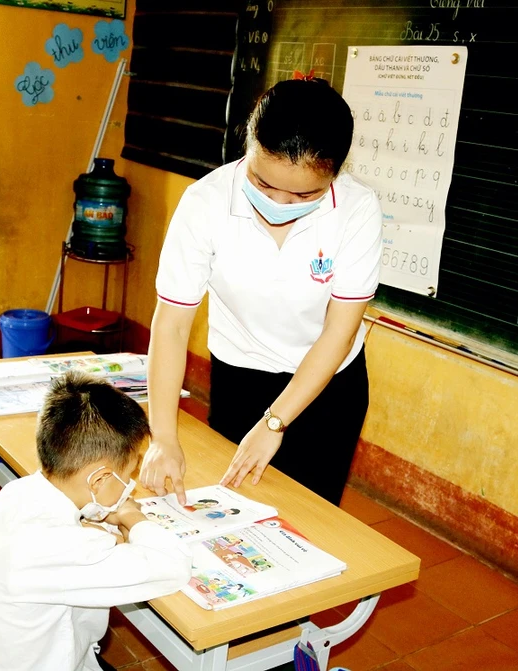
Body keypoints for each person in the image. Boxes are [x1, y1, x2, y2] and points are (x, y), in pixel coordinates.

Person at [142, 76, 382, 505]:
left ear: (334, 175)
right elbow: (173, 326)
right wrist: (162, 436)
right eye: (263, 183)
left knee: (313, 520)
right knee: (231, 510)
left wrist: (275, 423)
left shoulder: (357, 210)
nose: (280, 203)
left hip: (328, 385)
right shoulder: (205, 203)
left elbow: (339, 332)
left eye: (303, 193)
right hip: (240, 377)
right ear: (248, 147)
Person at [0, 372, 192, 671]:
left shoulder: (16, 493)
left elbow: (79, 544)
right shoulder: (60, 547)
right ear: (99, 479)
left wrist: (104, 534)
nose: (131, 485)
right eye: (129, 475)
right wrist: (132, 516)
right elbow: (174, 566)